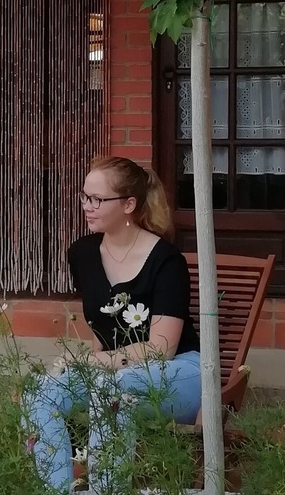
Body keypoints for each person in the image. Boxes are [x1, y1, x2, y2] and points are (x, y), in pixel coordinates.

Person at [26, 155, 201, 493]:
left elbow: (162, 349)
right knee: (42, 390)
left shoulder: (167, 260)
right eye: (84, 196)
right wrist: (89, 365)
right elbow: (101, 330)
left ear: (128, 205)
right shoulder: (82, 253)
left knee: (112, 389)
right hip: (112, 373)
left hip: (180, 372)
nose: (86, 206)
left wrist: (92, 362)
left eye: (97, 199)